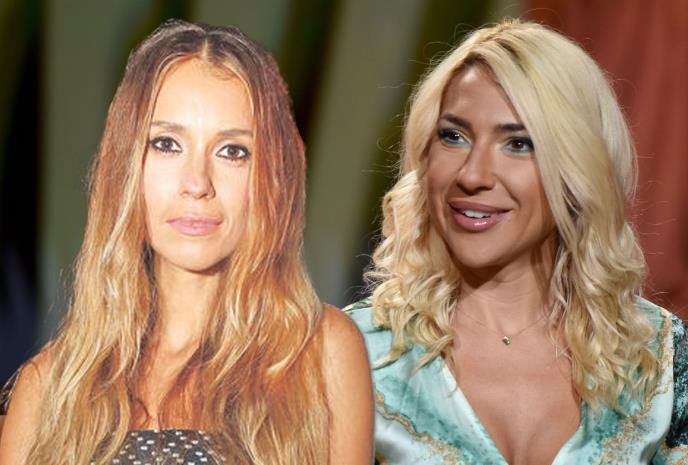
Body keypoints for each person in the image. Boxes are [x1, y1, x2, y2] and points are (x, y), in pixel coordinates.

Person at [0, 19, 373, 465]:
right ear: (127, 167)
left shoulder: (321, 355)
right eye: (166, 144)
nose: (196, 183)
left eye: (232, 151)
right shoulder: (47, 390)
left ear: (273, 178)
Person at [346, 19, 688, 465]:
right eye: (453, 136)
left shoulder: (660, 358)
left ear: (577, 168)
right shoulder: (353, 352)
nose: (473, 175)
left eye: (518, 143)